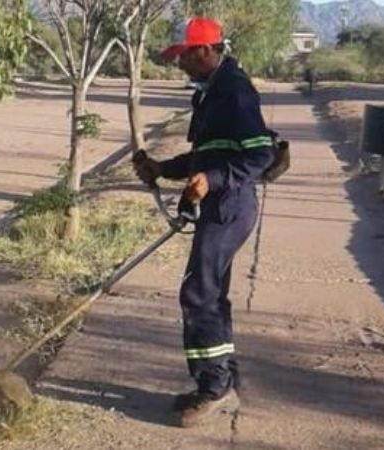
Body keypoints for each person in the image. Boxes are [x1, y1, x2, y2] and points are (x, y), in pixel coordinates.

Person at [133, 17, 275, 428]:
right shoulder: (211, 92)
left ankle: (214, 389)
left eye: (183, 56)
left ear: (206, 50)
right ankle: (219, 381)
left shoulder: (234, 91)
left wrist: (211, 181)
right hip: (218, 207)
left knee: (198, 295)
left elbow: (259, 155)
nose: (179, 64)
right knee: (210, 296)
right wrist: (162, 168)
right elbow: (207, 156)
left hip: (229, 207)